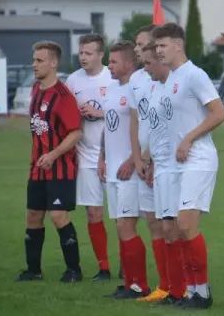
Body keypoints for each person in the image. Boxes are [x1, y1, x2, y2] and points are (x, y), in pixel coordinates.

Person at [152, 23, 224, 309]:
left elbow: (220, 113)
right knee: (178, 229)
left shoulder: (195, 75)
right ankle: (191, 292)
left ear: (178, 45)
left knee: (185, 224)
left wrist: (189, 138)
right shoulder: (172, 79)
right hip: (176, 163)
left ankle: (202, 293)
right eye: (156, 46)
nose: (158, 50)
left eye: (163, 45)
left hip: (199, 159)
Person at [15, 41, 83, 283]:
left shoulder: (63, 96)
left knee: (57, 216)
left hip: (60, 168)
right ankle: (33, 271)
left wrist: (53, 154)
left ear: (53, 63)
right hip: (37, 169)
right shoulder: (35, 89)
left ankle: (74, 270)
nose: (34, 64)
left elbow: (75, 132)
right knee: (33, 215)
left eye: (39, 60)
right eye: (33, 60)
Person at [99, 41, 151, 299]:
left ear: (130, 63)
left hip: (128, 170)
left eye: (113, 61)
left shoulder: (138, 89)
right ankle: (129, 282)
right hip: (111, 170)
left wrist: (133, 159)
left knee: (126, 225)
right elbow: (106, 129)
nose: (109, 66)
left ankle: (139, 285)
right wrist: (101, 157)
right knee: (120, 227)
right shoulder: (110, 89)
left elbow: (146, 128)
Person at [65, 34, 117, 282]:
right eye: (81, 52)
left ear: (100, 55)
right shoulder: (73, 80)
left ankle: (127, 265)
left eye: (88, 53)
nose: (83, 57)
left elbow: (126, 113)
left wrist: (99, 112)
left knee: (121, 214)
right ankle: (103, 268)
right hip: (85, 157)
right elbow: (64, 116)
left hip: (114, 156)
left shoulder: (113, 77)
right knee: (93, 213)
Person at [140, 41, 187, 306]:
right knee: (165, 228)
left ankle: (182, 289)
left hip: (173, 168)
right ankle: (173, 288)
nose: (145, 68)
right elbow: (158, 132)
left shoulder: (174, 89)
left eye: (148, 63)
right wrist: (150, 161)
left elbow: (176, 131)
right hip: (160, 167)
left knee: (174, 228)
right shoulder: (158, 90)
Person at [127, 25, 170, 302]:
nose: (137, 50)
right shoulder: (136, 79)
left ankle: (176, 284)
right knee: (152, 222)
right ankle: (164, 285)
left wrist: (150, 156)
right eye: (136, 45)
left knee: (171, 224)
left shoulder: (164, 79)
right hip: (144, 159)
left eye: (142, 45)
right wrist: (137, 157)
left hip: (161, 159)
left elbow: (163, 124)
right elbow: (135, 120)